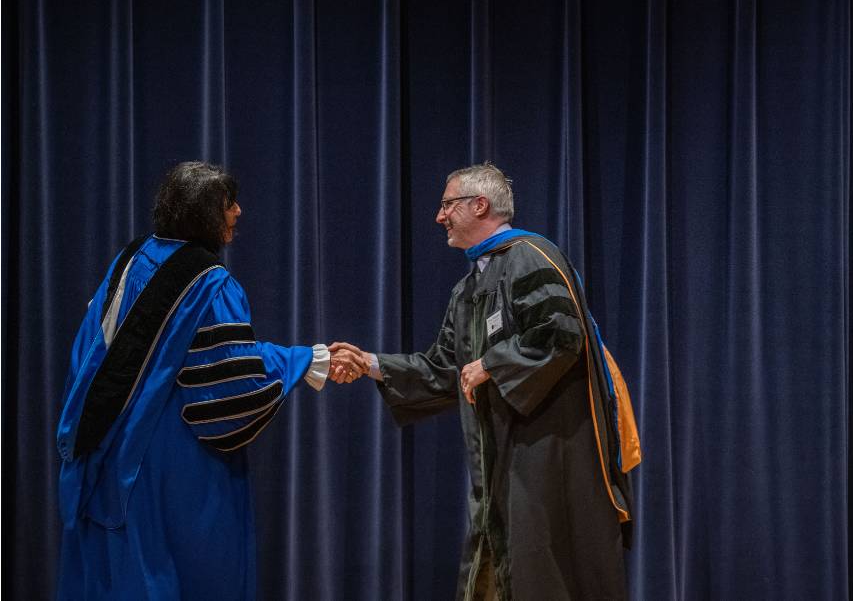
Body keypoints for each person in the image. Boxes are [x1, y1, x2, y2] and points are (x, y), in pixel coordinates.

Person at [55, 161, 366, 600]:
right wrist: (306, 359)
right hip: (171, 461)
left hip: (107, 449)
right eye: (228, 204)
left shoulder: (130, 259)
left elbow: (87, 355)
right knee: (178, 575)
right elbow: (231, 381)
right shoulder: (211, 283)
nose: (238, 212)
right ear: (204, 212)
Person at [333, 163, 640, 600]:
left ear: (480, 205)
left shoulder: (531, 256)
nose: (439, 217)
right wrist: (372, 364)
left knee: (548, 574)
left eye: (446, 205)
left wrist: (493, 364)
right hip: (502, 464)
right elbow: (445, 370)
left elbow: (561, 334)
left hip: (549, 457)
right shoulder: (469, 287)